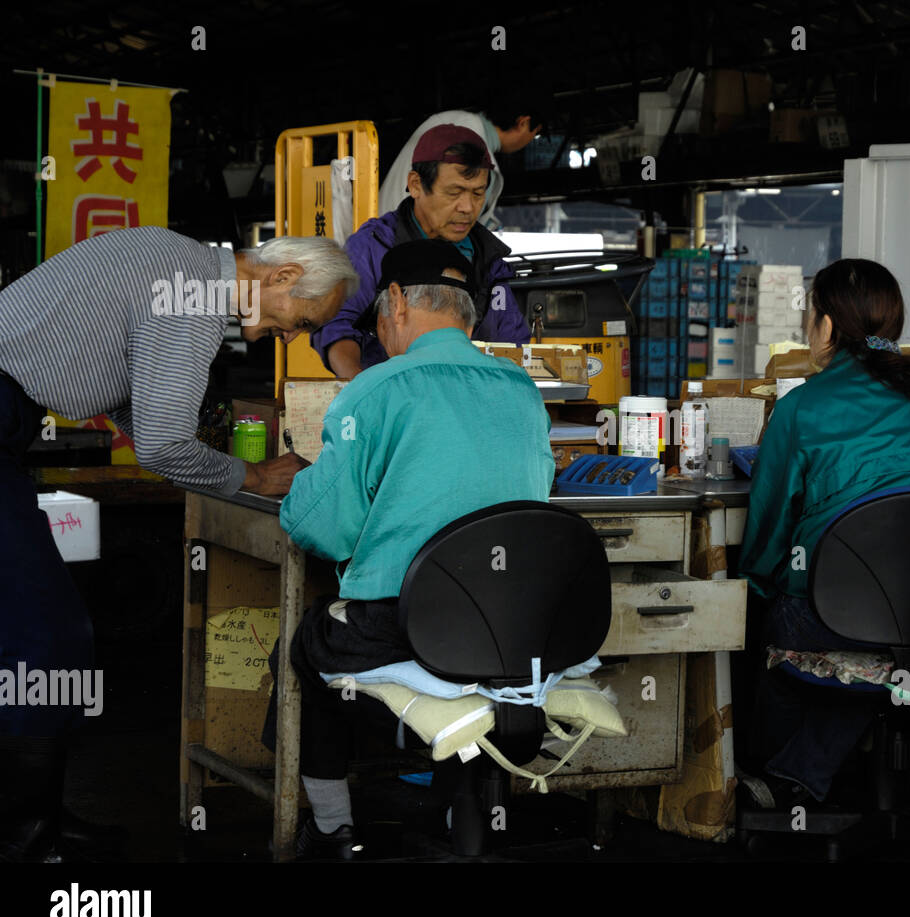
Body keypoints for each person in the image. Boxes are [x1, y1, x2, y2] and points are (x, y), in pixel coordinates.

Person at [0, 227, 357, 862]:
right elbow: (163, 445)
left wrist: (208, 460)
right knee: (48, 636)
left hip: (9, 419)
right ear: (279, 277)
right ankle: (25, 833)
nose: (294, 336)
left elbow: (134, 408)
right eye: (301, 319)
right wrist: (251, 475)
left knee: (37, 633)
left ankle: (42, 817)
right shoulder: (192, 297)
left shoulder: (181, 265)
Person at [269, 240, 554, 859]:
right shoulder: (522, 390)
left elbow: (322, 529)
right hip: (512, 635)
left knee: (304, 643)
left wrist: (305, 486)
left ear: (395, 301)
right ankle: (457, 807)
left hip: (405, 629)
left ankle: (332, 828)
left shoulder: (374, 390)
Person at [737, 258, 910, 806]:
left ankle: (771, 776)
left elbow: (769, 532)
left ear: (824, 326)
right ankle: (800, 775)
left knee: (773, 618)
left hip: (845, 612)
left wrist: (755, 585)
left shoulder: (802, 406)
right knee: (874, 632)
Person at [311, 125, 530, 381]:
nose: (468, 208)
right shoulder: (375, 245)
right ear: (415, 185)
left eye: (478, 193)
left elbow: (513, 344)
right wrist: (360, 384)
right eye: (454, 192)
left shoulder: (488, 260)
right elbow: (335, 322)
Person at [376, 98, 545, 224]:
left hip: (380, 239)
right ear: (523, 123)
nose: (467, 207)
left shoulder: (445, 119)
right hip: (409, 258)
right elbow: (459, 235)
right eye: (535, 133)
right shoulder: (479, 158)